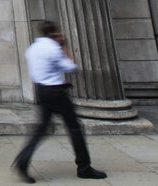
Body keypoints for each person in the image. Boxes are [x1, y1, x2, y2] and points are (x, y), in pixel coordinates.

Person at [13, 21, 106, 183]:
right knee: (75, 129)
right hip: (57, 91)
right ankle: (84, 167)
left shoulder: (32, 49)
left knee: (41, 129)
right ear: (54, 33)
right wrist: (64, 45)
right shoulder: (53, 48)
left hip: (42, 91)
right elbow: (71, 67)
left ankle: (23, 160)